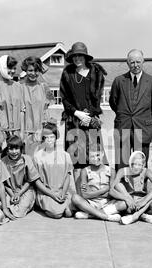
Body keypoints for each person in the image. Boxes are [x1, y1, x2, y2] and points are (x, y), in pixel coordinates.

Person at [60, 42, 108, 191]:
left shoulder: (96, 73)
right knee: (76, 159)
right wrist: (77, 113)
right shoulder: (68, 73)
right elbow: (64, 98)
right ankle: (78, 194)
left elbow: (97, 98)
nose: (77, 59)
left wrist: (90, 116)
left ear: (85, 57)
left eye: (80, 56)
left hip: (91, 121)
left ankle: (94, 192)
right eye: (74, 56)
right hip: (73, 120)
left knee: (94, 156)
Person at [109, 49, 152, 171]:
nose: (135, 65)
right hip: (123, 126)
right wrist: (124, 114)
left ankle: (139, 189)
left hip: (142, 127)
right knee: (122, 163)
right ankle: (122, 188)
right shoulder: (119, 80)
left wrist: (145, 117)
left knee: (140, 163)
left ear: (143, 62)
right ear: (127, 63)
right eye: (132, 62)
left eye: (138, 62)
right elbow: (113, 102)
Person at [33, 120, 75, 219]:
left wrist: (63, 192)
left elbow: (67, 176)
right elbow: (37, 181)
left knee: (69, 213)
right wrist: (52, 194)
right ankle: (41, 204)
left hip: (61, 191)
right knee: (57, 214)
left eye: (52, 137)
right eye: (46, 138)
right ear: (43, 139)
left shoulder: (65, 155)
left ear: (56, 138)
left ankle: (60, 205)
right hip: (46, 193)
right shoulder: (38, 156)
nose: (49, 140)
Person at [109, 151, 152, 225]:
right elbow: (111, 190)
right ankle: (142, 215)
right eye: (134, 164)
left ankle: (137, 215)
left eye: (139, 165)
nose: (136, 167)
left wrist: (145, 200)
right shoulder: (122, 171)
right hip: (128, 200)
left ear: (143, 165)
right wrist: (127, 198)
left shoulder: (146, 171)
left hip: (142, 201)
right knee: (118, 185)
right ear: (130, 163)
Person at [71, 148, 122, 222]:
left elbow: (111, 192)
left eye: (98, 155)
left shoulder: (111, 171)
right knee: (75, 198)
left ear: (102, 154)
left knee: (123, 204)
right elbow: (84, 195)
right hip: (91, 203)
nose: (95, 158)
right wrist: (104, 190)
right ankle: (105, 216)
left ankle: (90, 215)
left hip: (107, 202)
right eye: (92, 156)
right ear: (88, 158)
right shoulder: (85, 171)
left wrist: (92, 193)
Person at [20, 56, 54, 156]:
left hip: (40, 130)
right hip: (25, 131)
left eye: (37, 70)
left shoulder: (44, 87)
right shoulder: (19, 87)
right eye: (30, 70)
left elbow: (46, 110)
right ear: (25, 70)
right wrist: (21, 133)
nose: (33, 73)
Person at [2, 135, 40, 218]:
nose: (14, 152)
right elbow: (4, 183)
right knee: (3, 204)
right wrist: (13, 195)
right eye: (11, 149)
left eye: (16, 148)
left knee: (20, 210)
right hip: (10, 191)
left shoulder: (27, 159)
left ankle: (29, 204)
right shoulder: (3, 161)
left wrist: (19, 194)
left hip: (25, 190)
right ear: (7, 151)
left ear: (21, 149)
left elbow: (30, 181)